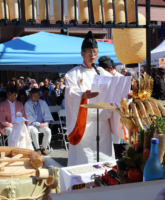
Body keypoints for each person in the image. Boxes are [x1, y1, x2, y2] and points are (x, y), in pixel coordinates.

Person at [65, 31, 125, 166]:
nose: (92, 55)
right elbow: (70, 94)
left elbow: (116, 90)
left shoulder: (102, 72)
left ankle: (104, 184)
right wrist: (82, 95)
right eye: (89, 51)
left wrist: (125, 95)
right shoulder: (73, 74)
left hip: (103, 125)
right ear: (82, 53)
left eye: (95, 51)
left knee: (104, 162)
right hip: (83, 125)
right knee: (84, 161)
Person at [98, 56, 131, 158]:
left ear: (111, 68)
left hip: (119, 116)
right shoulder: (105, 79)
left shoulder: (121, 79)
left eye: (105, 71)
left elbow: (125, 101)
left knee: (121, 144)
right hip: (108, 115)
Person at [25, 88, 54, 155]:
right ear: (30, 95)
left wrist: (46, 123)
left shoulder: (43, 102)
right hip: (32, 124)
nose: (36, 97)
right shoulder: (27, 104)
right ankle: (37, 148)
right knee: (34, 132)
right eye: (34, 96)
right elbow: (29, 116)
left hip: (42, 124)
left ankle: (43, 148)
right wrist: (38, 124)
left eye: (38, 95)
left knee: (48, 131)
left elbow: (47, 113)